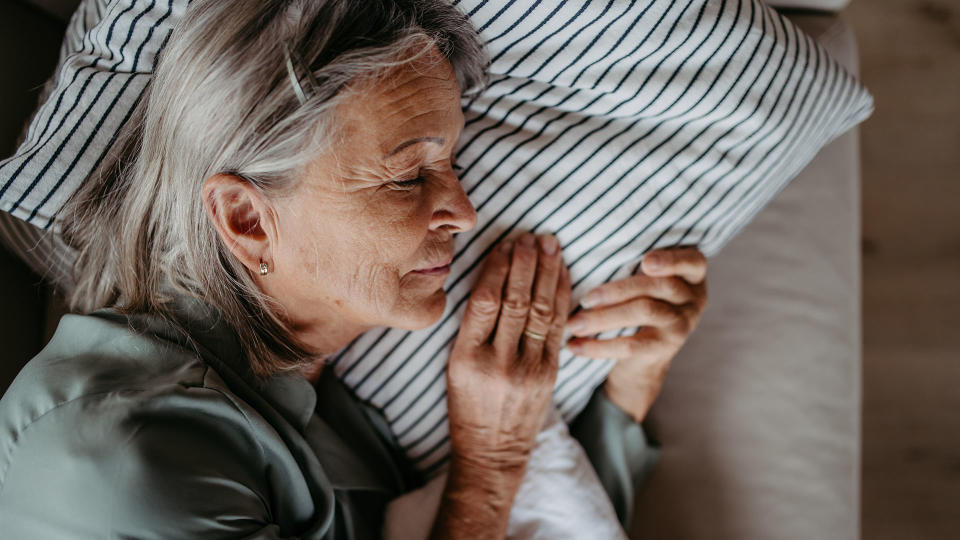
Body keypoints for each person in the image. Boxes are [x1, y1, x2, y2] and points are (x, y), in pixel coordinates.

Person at [0, 1, 708, 538]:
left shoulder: (318, 396)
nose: (462, 210)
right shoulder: (119, 464)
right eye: (408, 177)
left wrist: (629, 387)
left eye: (453, 165)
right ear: (248, 219)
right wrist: (488, 473)